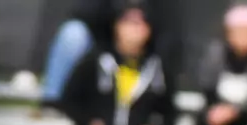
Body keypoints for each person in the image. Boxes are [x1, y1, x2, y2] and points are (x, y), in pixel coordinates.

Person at [42, 0, 180, 107]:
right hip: (103, 44)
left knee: (164, 44)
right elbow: (82, 13)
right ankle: (52, 101)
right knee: (72, 33)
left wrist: (139, 30)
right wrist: (119, 22)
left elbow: (165, 26)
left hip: (142, 52)